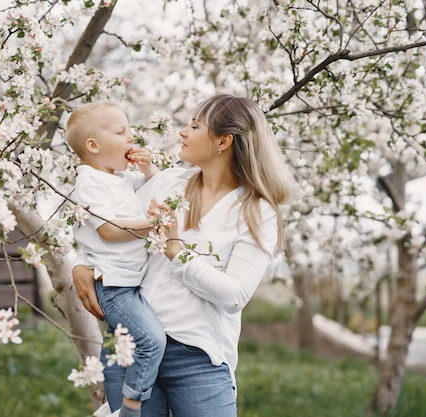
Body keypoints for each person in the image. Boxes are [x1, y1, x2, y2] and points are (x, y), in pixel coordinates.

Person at [73, 94, 295, 417]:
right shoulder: (169, 183)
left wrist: (177, 251)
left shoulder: (254, 212)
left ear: (223, 141)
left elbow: (235, 295)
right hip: (133, 345)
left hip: (198, 358)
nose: (182, 132)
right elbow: (107, 221)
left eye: (194, 125)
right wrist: (82, 263)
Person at [66, 102, 166, 417]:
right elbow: (109, 230)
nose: (130, 138)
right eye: (121, 132)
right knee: (151, 340)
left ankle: (117, 405)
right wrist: (154, 227)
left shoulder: (117, 179)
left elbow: (155, 186)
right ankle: (130, 407)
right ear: (93, 145)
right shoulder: (91, 182)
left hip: (131, 283)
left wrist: (148, 169)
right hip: (115, 286)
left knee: (124, 349)